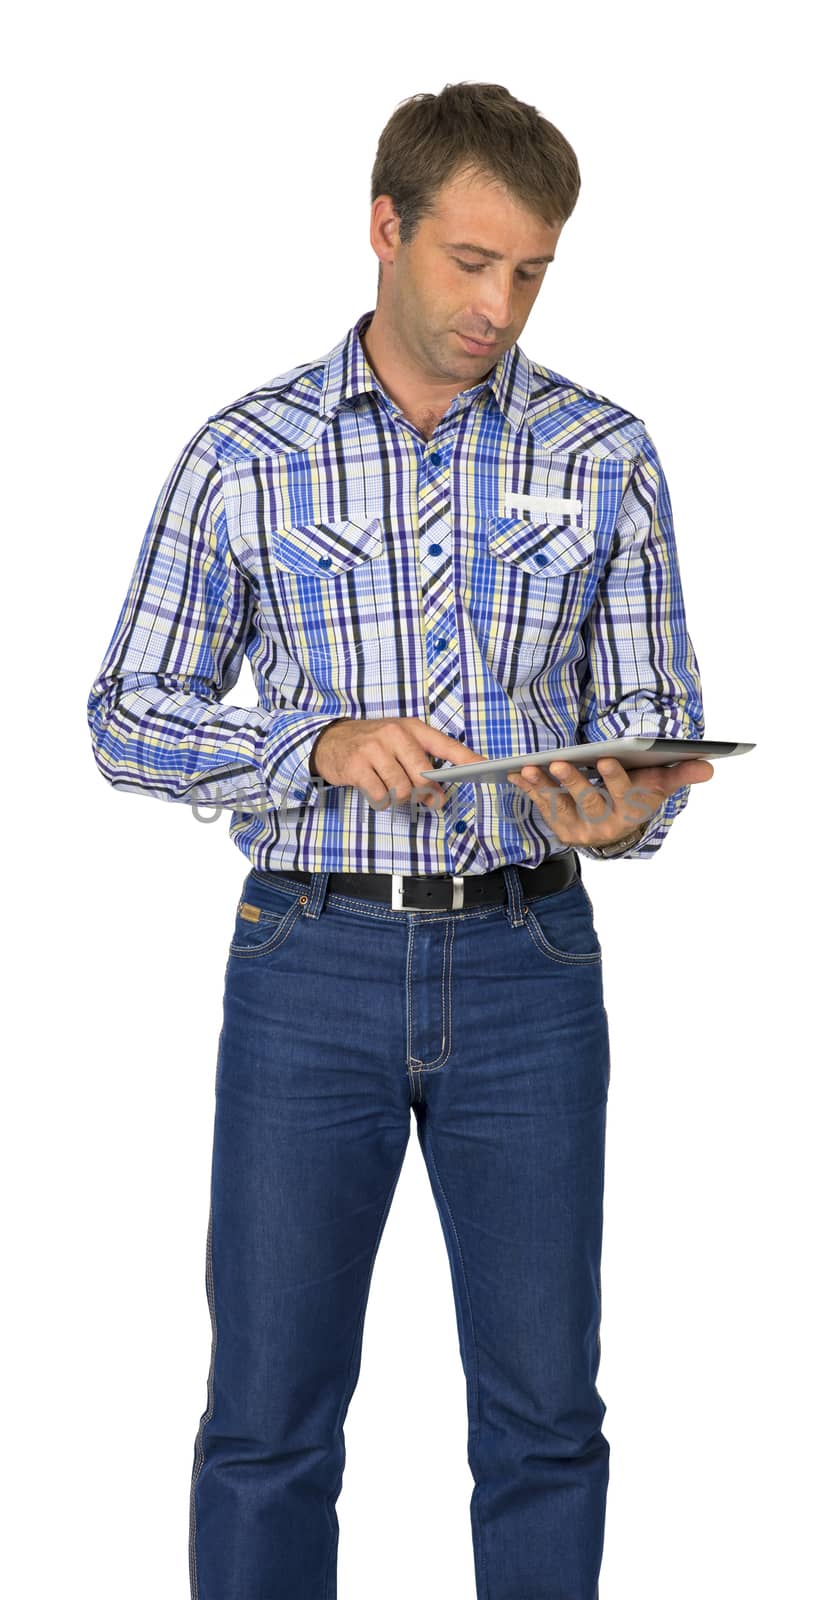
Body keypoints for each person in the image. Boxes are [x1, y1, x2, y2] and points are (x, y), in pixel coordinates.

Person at [87, 81, 714, 1600]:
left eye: (532, 272)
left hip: (531, 961)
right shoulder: (245, 455)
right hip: (311, 959)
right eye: (471, 261)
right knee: (269, 1424)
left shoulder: (605, 452)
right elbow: (125, 712)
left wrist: (630, 807)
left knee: (547, 1420)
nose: (499, 304)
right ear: (387, 228)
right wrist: (308, 745)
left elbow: (656, 715)